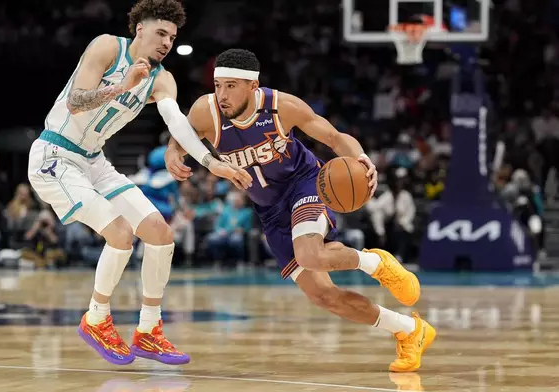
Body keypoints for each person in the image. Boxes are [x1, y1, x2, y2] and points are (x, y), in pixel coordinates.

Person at [164, 49, 436, 373]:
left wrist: (362, 158)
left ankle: (376, 263)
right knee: (323, 296)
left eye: (231, 86)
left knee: (310, 255)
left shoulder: (281, 107)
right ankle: (410, 330)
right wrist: (172, 153)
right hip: (267, 208)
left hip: (303, 184)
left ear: (253, 86)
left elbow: (333, 137)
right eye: (218, 85)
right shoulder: (205, 111)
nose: (222, 94)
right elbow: (181, 138)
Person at [27, 1, 252, 367]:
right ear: (140, 30)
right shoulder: (107, 47)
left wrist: (212, 163)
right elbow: (75, 103)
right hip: (55, 156)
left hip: (94, 161)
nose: (166, 42)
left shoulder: (162, 78)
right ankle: (96, 319)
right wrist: (121, 86)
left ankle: (149, 330)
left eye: (173, 37)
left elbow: (177, 122)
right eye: (161, 33)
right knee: (120, 233)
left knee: (160, 233)